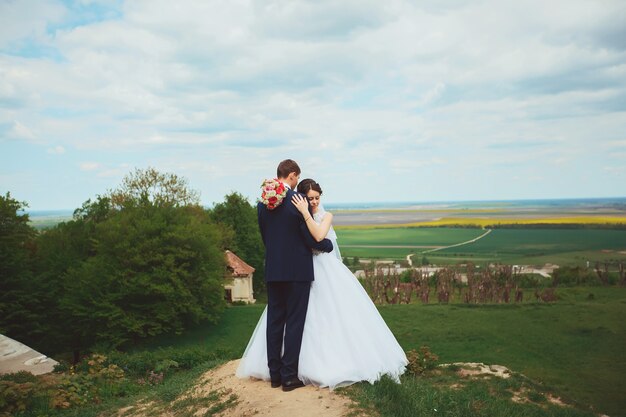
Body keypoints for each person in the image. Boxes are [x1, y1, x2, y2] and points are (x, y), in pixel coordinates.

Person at [237, 177, 407, 390]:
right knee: (300, 320)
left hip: (321, 268)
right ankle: (291, 371)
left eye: (317, 197)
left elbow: (319, 239)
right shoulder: (297, 211)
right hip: (303, 269)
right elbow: (308, 240)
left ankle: (308, 366)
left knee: (328, 314)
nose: (314, 201)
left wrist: (323, 242)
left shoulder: (323, 215)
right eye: (310, 198)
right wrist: (314, 233)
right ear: (302, 197)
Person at [242, 160, 334, 392]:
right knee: (294, 323)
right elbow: (309, 238)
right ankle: (289, 377)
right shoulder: (297, 201)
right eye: (296, 178)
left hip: (274, 269)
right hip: (297, 271)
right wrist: (327, 245)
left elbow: (265, 236)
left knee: (275, 322)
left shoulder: (263, 203)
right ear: (292, 175)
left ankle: (274, 376)